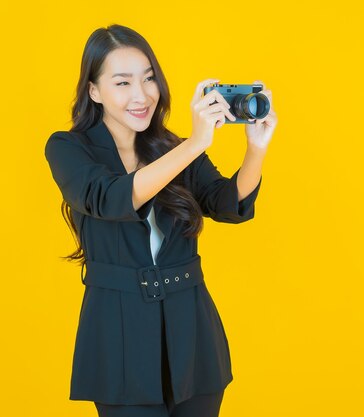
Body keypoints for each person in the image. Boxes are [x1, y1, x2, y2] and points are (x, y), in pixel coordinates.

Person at [44, 24, 277, 417]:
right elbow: (108, 198)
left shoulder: (172, 148)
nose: (141, 95)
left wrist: (256, 148)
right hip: (119, 336)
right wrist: (195, 144)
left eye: (149, 78)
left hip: (193, 333)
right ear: (94, 91)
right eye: (122, 83)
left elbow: (226, 204)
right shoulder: (67, 148)